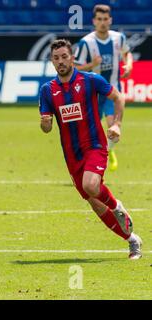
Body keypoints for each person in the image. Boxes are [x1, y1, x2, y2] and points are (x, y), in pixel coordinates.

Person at [39, 39, 142, 259]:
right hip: (72, 156)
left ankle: (116, 206)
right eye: (56, 58)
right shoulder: (48, 90)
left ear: (72, 57)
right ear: (52, 61)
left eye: (64, 56)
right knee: (94, 203)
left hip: (95, 145)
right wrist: (45, 124)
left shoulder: (90, 80)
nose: (61, 62)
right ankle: (132, 240)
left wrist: (116, 124)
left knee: (91, 184)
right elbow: (45, 126)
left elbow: (118, 97)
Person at [74, 4, 133, 171]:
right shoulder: (86, 42)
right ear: (94, 21)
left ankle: (106, 154)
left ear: (110, 20)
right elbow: (76, 68)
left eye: (105, 19)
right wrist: (92, 64)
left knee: (112, 127)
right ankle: (100, 154)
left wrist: (129, 66)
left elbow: (127, 53)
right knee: (87, 133)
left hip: (112, 91)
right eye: (99, 19)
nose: (102, 22)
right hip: (92, 93)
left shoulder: (118, 38)